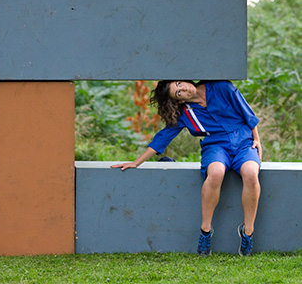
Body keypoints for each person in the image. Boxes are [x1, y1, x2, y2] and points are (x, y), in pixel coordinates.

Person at [111, 80, 262, 257]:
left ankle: (248, 232)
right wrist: (136, 162)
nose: (183, 89)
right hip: (215, 146)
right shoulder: (185, 113)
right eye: (178, 93)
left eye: (179, 84)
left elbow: (247, 112)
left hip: (244, 142)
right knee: (215, 173)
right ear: (179, 100)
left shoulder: (222, 87)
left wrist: (257, 139)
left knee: (251, 174)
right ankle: (205, 231)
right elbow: (163, 137)